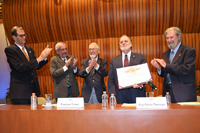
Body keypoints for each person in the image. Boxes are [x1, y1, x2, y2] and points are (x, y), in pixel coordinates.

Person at [5, 26, 52, 105]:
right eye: (21, 35)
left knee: (34, 116)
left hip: (33, 90)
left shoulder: (29, 49)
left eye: (25, 35)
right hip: (20, 92)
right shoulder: (10, 50)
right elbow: (20, 67)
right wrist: (40, 58)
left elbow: (35, 65)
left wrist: (44, 57)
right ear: (14, 37)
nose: (24, 37)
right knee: (22, 117)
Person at [151, 27, 197, 103]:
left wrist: (166, 65)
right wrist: (159, 68)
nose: (169, 40)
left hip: (183, 93)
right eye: (167, 38)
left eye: (171, 37)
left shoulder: (189, 51)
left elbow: (186, 69)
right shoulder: (165, 53)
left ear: (179, 37)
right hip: (168, 92)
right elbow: (166, 73)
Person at [108, 35, 147, 104]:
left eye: (126, 41)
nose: (123, 43)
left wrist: (140, 83)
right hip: (120, 97)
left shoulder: (140, 57)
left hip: (137, 94)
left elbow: (145, 76)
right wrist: (113, 96)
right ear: (119, 45)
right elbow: (111, 80)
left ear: (131, 44)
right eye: (121, 42)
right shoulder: (114, 61)